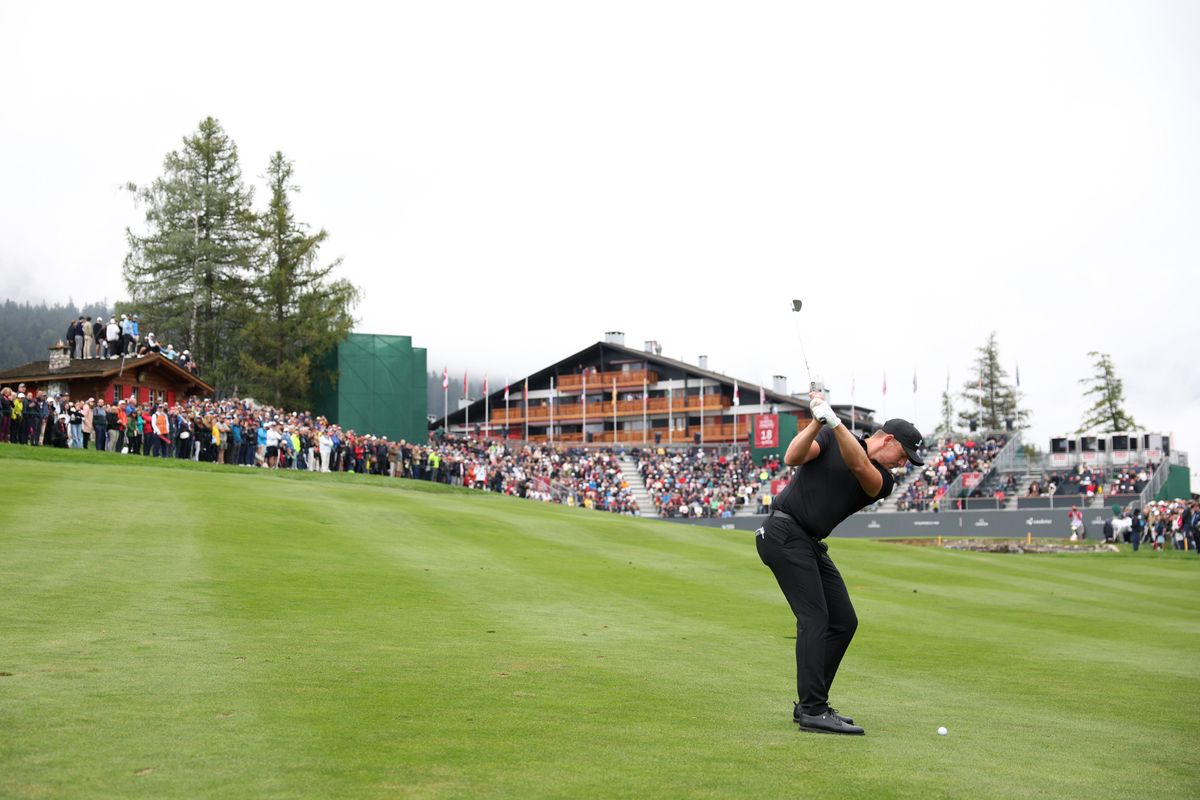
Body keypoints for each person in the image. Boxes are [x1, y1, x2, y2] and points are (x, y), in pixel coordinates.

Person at [756, 391, 924, 736]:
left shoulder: (884, 480)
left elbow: (859, 465)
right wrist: (816, 422)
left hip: (808, 542)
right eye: (904, 455)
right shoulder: (830, 437)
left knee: (844, 621)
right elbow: (792, 456)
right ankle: (813, 710)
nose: (903, 464)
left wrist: (834, 422)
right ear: (888, 440)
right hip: (783, 532)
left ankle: (810, 702)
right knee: (814, 618)